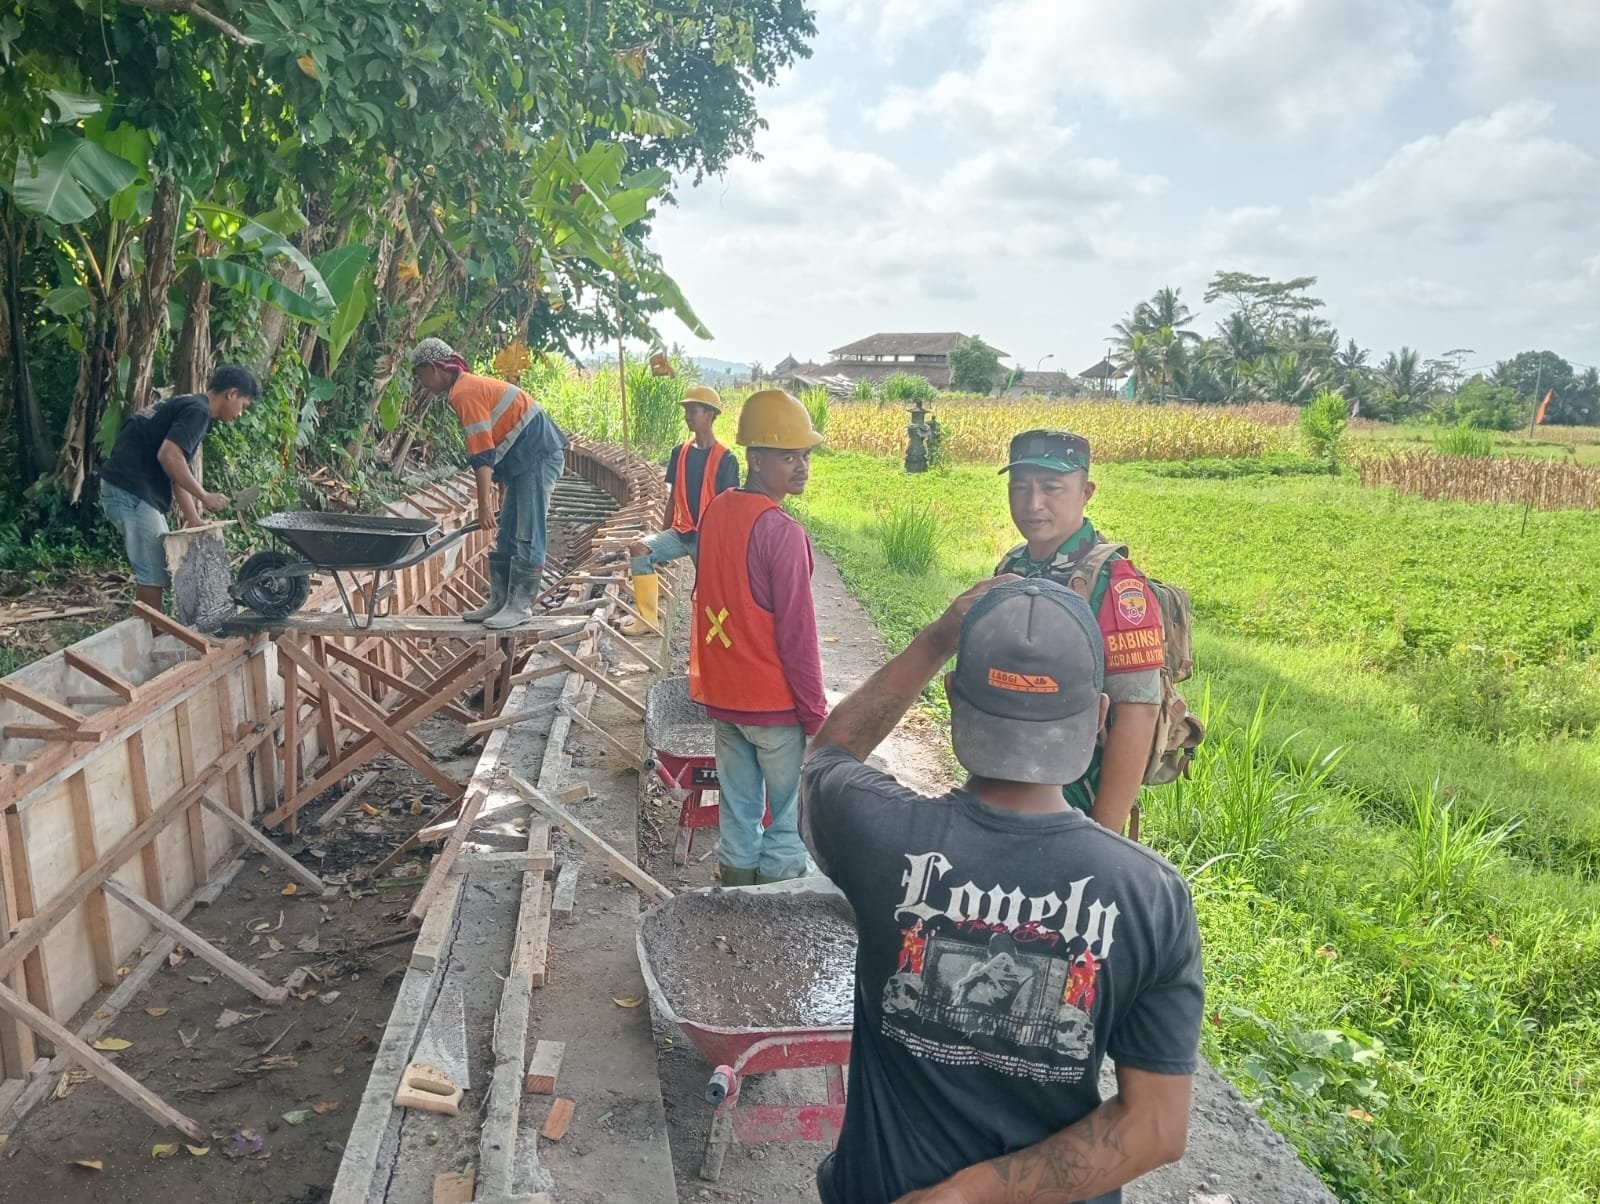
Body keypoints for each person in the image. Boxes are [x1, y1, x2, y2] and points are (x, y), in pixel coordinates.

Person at [801, 577, 1203, 1204]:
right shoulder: (1151, 895)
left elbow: (828, 754)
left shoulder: (873, 829)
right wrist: (978, 1193)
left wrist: (938, 638)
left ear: (955, 699)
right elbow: (1155, 1125)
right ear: (1098, 716)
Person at [689, 389, 826, 887]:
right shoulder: (782, 532)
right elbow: (798, 637)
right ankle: (774, 917)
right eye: (788, 456)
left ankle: (735, 900)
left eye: (806, 455)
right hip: (774, 708)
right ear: (756, 458)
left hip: (726, 700)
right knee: (787, 822)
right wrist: (814, 716)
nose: (802, 466)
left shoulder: (718, 510)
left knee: (738, 813)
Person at [995, 430, 1164, 834]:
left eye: (1051, 487)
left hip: (1071, 811)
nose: (1032, 503)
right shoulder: (1013, 564)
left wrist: (1101, 839)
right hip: (1001, 787)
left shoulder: (1117, 585)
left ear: (1086, 491)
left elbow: (1137, 715)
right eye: (1020, 487)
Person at [409, 338, 568, 629]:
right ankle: (500, 600)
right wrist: (499, 490)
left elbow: (482, 455)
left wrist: (484, 506)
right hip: (522, 460)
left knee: (528, 531)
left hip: (537, 454)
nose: (422, 383)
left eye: (421, 376)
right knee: (506, 532)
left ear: (434, 368)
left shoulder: (463, 393)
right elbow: (497, 442)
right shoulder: (465, 388)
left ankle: (520, 605)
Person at [98, 364, 260, 613]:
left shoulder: (189, 404)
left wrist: (193, 517)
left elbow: (176, 472)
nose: (240, 413)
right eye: (243, 405)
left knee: (155, 568)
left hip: (128, 488)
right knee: (153, 572)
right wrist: (204, 496)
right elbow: (169, 456)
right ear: (231, 393)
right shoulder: (198, 412)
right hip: (130, 490)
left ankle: (150, 631)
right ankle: (150, 637)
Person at [619, 384, 740, 636]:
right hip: (681, 532)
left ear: (710, 414)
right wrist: (662, 541)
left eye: (692, 410)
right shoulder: (680, 452)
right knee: (640, 549)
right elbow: (673, 498)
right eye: (686, 410)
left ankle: (715, 639)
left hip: (709, 539)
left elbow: (729, 511)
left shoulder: (726, 459)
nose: (687, 416)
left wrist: (725, 549)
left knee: (711, 593)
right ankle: (647, 619)